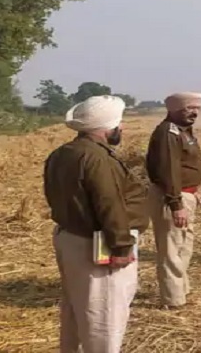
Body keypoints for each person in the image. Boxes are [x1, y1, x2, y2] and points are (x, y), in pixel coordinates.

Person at [43, 95, 149, 353]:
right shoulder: (97, 158)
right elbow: (108, 203)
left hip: (70, 237)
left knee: (77, 310)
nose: (122, 127)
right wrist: (121, 246)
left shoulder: (62, 153)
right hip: (97, 245)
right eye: (119, 123)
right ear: (107, 127)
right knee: (104, 318)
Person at [146, 92, 201, 309]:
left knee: (184, 247)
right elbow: (169, 171)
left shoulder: (183, 131)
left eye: (197, 108)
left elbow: (185, 166)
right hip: (171, 197)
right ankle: (173, 300)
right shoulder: (167, 133)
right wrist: (176, 204)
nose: (194, 112)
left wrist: (195, 189)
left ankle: (181, 289)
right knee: (171, 250)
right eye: (189, 108)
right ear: (173, 109)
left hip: (185, 195)